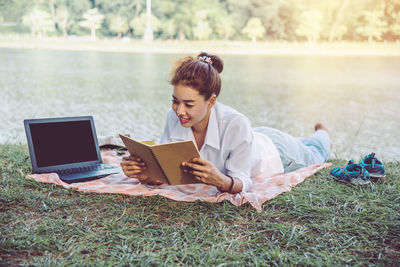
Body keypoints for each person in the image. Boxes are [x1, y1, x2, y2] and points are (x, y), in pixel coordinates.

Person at [121, 52, 331, 194]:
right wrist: (144, 174)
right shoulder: (173, 116)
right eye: (175, 101)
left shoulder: (236, 123)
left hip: (277, 153)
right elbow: (167, 169)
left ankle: (322, 132)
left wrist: (221, 180)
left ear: (211, 101)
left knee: (315, 151)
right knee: (302, 143)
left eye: (189, 104)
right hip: (250, 137)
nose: (180, 111)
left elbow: (242, 180)